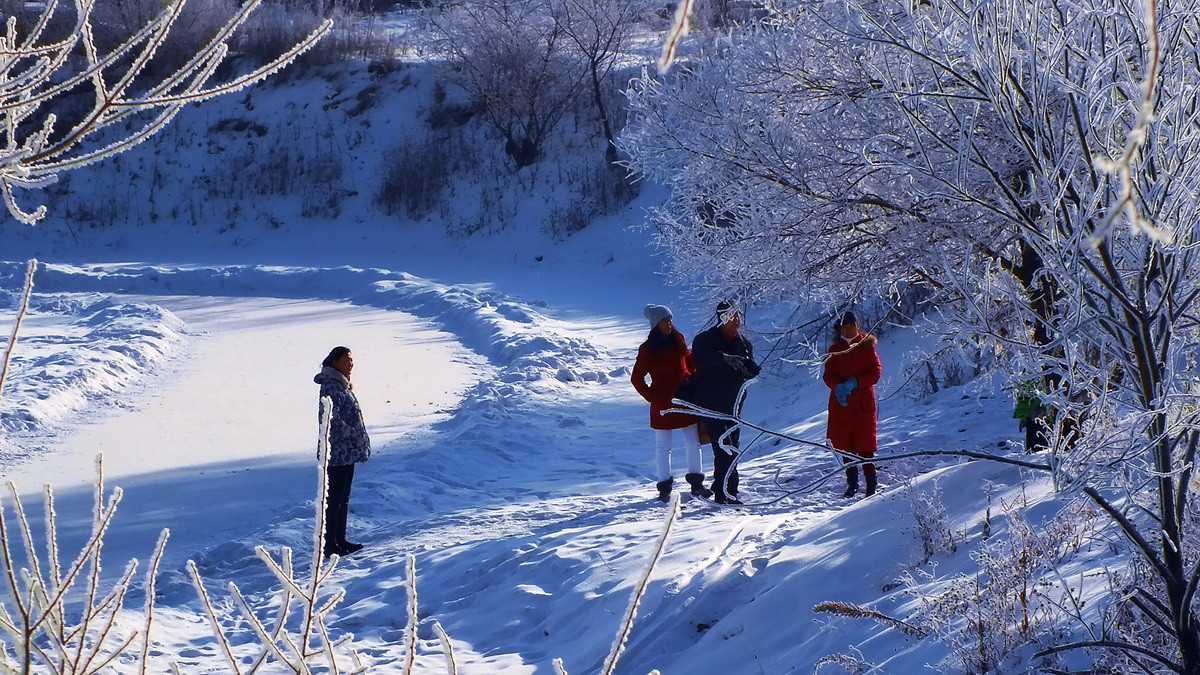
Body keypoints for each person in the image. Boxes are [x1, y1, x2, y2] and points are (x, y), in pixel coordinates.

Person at [631, 304, 712, 502]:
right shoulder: (647, 349)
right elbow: (636, 378)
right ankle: (664, 488)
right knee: (663, 447)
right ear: (655, 324)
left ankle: (697, 484)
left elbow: (690, 364)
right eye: (664, 321)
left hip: (686, 399)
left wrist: (696, 383)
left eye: (670, 320)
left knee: (693, 442)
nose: (669, 324)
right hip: (662, 405)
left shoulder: (679, 339)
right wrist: (653, 398)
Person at [686, 301, 760, 504]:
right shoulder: (705, 339)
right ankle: (724, 493)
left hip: (734, 403)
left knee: (733, 447)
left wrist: (749, 370)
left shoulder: (744, 343)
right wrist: (723, 358)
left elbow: (745, 370)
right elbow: (699, 360)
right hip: (710, 402)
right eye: (731, 316)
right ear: (722, 318)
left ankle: (727, 489)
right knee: (723, 448)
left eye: (738, 316)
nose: (736, 320)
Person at [314, 346, 371, 556]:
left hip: (347, 452)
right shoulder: (330, 386)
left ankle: (340, 540)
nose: (350, 363)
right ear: (334, 362)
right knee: (335, 500)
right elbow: (332, 420)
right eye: (346, 359)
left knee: (343, 498)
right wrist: (354, 434)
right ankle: (330, 544)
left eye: (351, 359)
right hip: (336, 453)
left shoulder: (342, 384)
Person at [822, 312, 882, 498]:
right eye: (844, 327)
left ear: (857, 326)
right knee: (845, 445)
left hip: (862, 403)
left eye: (851, 326)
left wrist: (856, 382)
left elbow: (875, 373)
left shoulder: (866, 346)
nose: (848, 330)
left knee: (865, 445)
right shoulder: (835, 350)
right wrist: (837, 386)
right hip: (842, 403)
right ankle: (852, 483)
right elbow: (828, 375)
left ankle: (871, 482)